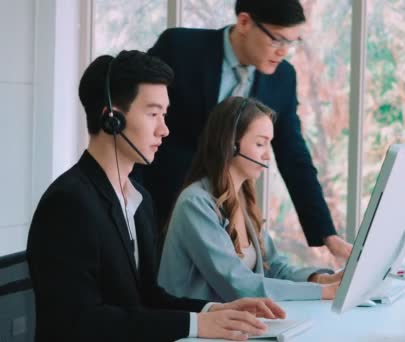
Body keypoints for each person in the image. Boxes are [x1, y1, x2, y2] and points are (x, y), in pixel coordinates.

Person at [26, 50, 285, 342]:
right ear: (112, 120)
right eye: (153, 114)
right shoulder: (69, 204)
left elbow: (148, 298)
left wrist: (214, 311)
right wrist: (196, 326)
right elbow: (80, 323)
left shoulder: (139, 200)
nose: (164, 130)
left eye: (164, 114)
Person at [140, 0, 352, 261]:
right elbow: (135, 113)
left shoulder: (282, 78)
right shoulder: (180, 48)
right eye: (277, 40)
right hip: (156, 206)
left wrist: (326, 234)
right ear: (244, 22)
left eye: (292, 42)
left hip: (225, 218)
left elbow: (293, 155)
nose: (283, 51)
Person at [158, 97, 343, 302]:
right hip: (198, 329)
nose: (267, 156)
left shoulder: (243, 202)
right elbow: (238, 284)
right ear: (231, 145)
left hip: (234, 326)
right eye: (259, 143)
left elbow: (274, 268)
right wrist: (323, 293)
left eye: (268, 145)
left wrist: (322, 280)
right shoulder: (195, 204)